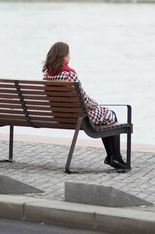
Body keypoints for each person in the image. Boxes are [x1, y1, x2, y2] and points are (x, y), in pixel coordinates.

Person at [43, 41, 130, 170]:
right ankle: (115, 156)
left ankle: (111, 156)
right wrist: (95, 104)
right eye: (69, 53)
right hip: (80, 116)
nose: (70, 56)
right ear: (63, 56)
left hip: (61, 116)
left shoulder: (47, 75)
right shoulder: (69, 73)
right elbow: (82, 98)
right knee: (110, 114)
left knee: (104, 116)